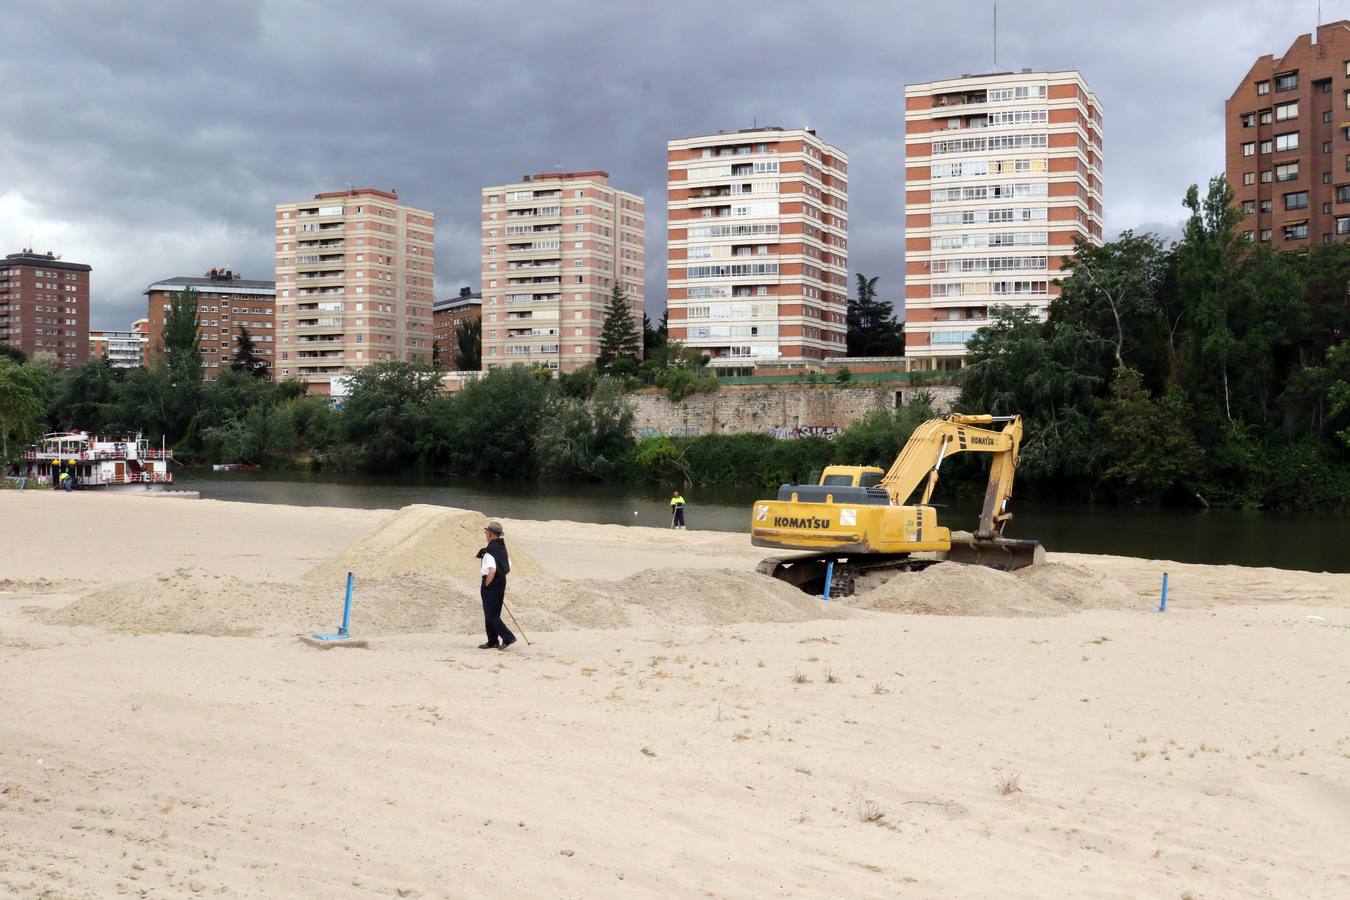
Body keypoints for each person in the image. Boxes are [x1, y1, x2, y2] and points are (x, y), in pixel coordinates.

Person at [475, 521, 516, 650]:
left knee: (490, 615)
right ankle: (492, 641)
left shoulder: (490, 550)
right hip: (500, 581)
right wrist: (499, 579)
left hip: (491, 582)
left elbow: (492, 570)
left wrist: (487, 584)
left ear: (491, 534)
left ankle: (508, 637)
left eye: (486, 532)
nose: (485, 534)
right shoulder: (502, 549)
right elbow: (508, 566)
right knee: (493, 613)